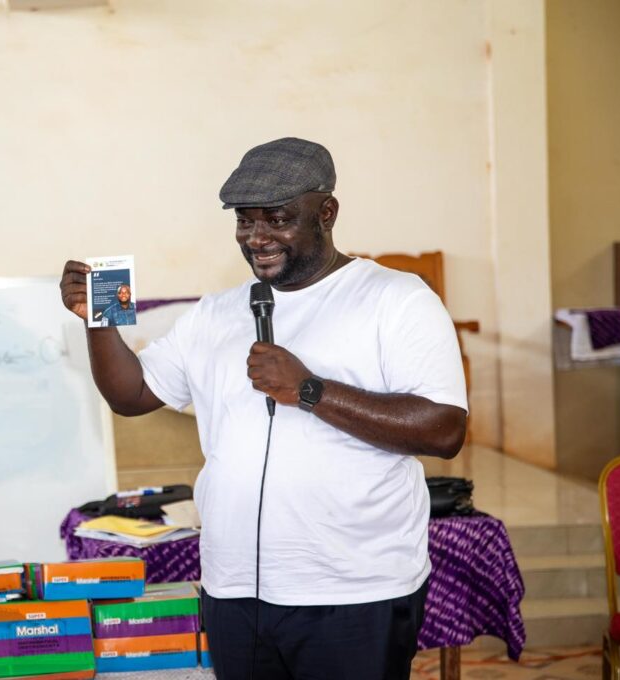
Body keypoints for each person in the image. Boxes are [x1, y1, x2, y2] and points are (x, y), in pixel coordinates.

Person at [59, 137, 467, 679]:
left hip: (354, 591)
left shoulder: (397, 299)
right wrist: (97, 319)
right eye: (244, 221)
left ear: (327, 213)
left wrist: (310, 390)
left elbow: (444, 429)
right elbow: (131, 396)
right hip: (235, 590)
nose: (256, 238)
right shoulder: (215, 314)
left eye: (277, 219)